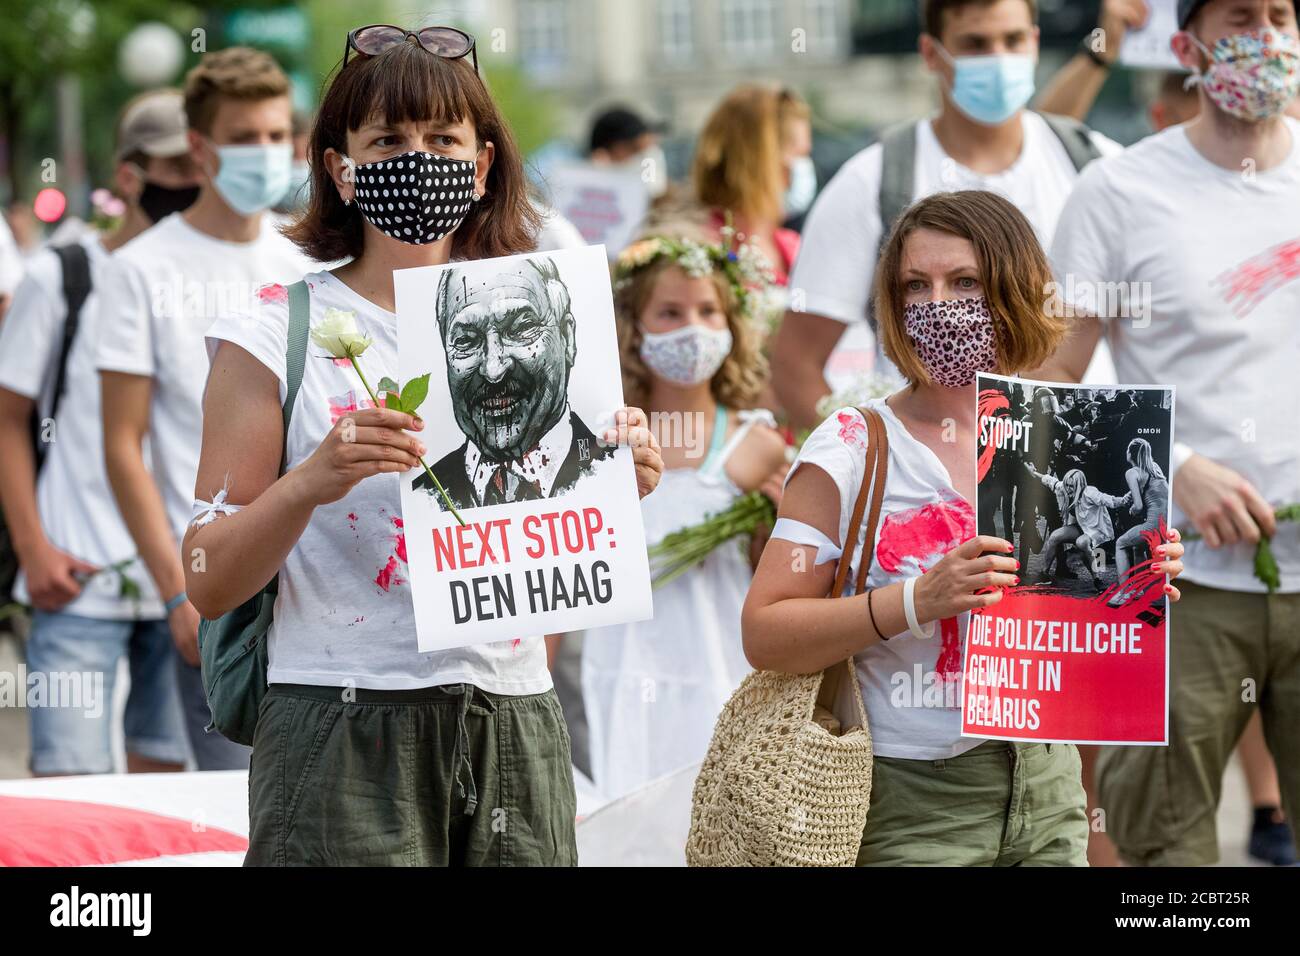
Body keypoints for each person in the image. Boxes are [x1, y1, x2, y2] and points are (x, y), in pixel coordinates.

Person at [182, 25, 664, 866]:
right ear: (340, 168)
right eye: (388, 141)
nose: (419, 158)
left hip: (514, 719)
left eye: (443, 138)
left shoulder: (548, 322)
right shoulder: (272, 335)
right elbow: (207, 576)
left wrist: (619, 476)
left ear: (481, 165)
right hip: (340, 723)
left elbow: (566, 540)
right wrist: (309, 483)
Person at [744, 189, 1186, 866]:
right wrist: (917, 599)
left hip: (1045, 779)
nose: (936, 304)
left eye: (965, 282)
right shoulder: (853, 446)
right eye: (914, 285)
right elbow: (766, 631)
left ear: (1013, 290)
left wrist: (1138, 580)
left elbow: (1076, 625)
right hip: (909, 795)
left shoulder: (1064, 438)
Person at [1038, 0, 1300, 866]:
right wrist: (1176, 467)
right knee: (1164, 858)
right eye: (1240, 17)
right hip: (1172, 587)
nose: (1265, 36)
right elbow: (1044, 391)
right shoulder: (1117, 192)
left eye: (1282, 15)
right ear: (1186, 47)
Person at [96, 48, 314, 772]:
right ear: (199, 147)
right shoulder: (140, 269)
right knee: (203, 802)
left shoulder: (307, 260)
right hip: (202, 584)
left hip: (301, 586)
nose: (266, 153)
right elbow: (123, 444)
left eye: (277, 136)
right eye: (245, 137)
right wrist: (177, 589)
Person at [772, 0, 1123, 432]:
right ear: (931, 53)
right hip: (922, 487)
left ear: (1034, 42)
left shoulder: (1098, 165)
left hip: (1072, 469)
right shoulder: (873, 181)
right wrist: (865, 470)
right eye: (975, 44)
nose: (998, 59)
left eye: (1012, 40)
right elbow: (795, 364)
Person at [0, 89, 200, 776]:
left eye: (202, 160)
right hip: (77, 583)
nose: (195, 180)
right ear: (129, 176)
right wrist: (34, 549)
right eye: (176, 167)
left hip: (188, 590)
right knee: (70, 795)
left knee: (171, 807)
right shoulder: (65, 275)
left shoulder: (211, 279)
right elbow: (8, 417)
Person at [577, 231, 786, 802]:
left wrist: (777, 522)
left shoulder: (758, 445)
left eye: (707, 311)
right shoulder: (607, 439)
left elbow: (773, 575)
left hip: (720, 662)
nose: (690, 327)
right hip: (623, 662)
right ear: (634, 327)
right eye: (669, 312)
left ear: (732, 323)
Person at [411, 256, 615, 509]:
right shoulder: (420, 500)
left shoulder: (615, 473)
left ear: (567, 338)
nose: (493, 369)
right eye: (466, 341)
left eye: (520, 329)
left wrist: (632, 491)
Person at [691, 84, 806, 285]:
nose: (800, 169)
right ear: (758, 163)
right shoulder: (698, 252)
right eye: (798, 155)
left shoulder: (792, 247)